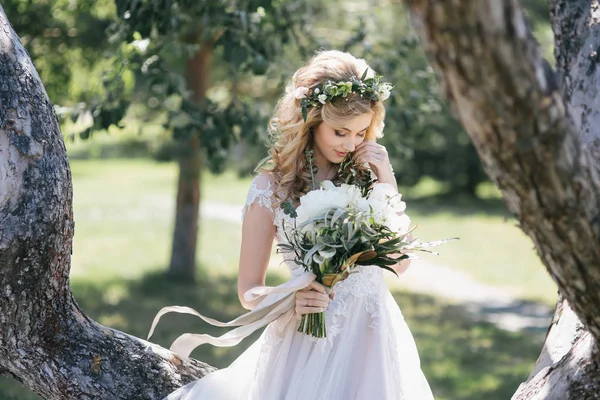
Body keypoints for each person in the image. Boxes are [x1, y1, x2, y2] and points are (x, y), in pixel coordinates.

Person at [150, 50, 434, 400]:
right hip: (306, 339)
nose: (351, 143)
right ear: (311, 120)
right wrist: (292, 297)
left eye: (361, 133)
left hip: (372, 337)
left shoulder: (367, 177)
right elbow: (248, 291)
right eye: (340, 132)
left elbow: (401, 263)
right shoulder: (271, 188)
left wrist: (386, 177)